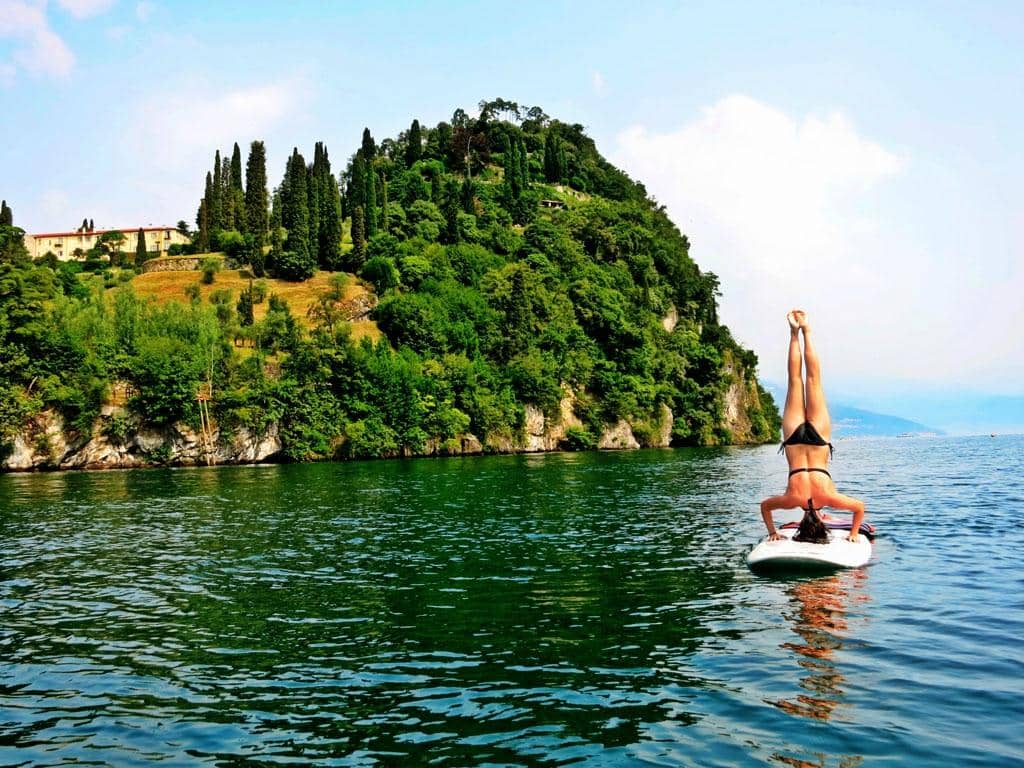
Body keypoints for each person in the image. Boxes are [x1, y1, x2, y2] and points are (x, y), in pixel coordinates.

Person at [760, 310, 866, 542]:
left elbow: (859, 507)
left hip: (818, 439)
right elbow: (765, 507)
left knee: (813, 380)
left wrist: (855, 533)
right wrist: (773, 532)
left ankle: (806, 329)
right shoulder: (792, 500)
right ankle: (794, 332)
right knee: (795, 379)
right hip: (793, 439)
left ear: (821, 522)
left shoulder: (828, 497)